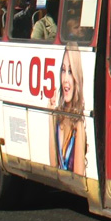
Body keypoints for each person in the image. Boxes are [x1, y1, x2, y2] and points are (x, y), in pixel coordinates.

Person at [48, 42, 86, 176]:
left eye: (70, 72)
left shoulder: (79, 123)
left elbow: (78, 176)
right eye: (63, 70)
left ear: (76, 77)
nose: (65, 79)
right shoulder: (59, 116)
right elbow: (53, 167)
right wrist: (51, 115)